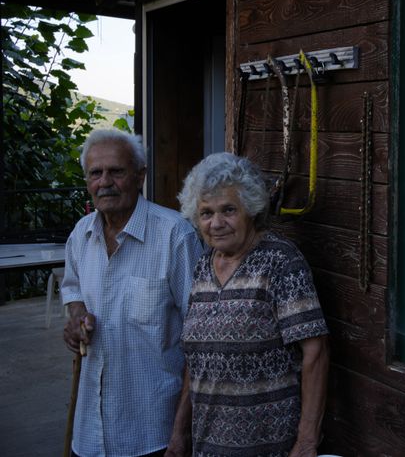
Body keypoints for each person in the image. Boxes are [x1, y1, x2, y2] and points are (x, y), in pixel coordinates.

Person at [167, 152, 329, 457]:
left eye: (228, 210)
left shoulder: (280, 261)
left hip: (269, 445)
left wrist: (307, 441)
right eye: (206, 213)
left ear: (251, 209)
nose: (216, 223)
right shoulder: (203, 266)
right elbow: (196, 358)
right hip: (208, 446)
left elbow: (315, 352)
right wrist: (179, 432)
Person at [61, 129, 204, 457]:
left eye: (116, 171)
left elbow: (200, 343)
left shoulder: (175, 236)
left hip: (152, 431)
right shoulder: (81, 235)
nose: (105, 182)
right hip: (89, 432)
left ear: (140, 176)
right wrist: (77, 318)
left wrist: (181, 433)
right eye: (96, 173)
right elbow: (73, 291)